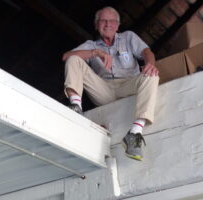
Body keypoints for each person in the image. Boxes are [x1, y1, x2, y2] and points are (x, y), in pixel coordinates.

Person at [62, 6, 159, 161]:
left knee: (152, 75)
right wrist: (95, 53)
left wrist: (150, 64)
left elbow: (147, 52)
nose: (107, 24)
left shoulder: (128, 37)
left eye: (112, 21)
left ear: (118, 25)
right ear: (96, 25)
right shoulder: (92, 45)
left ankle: (134, 133)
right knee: (75, 59)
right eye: (103, 21)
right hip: (103, 90)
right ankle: (76, 108)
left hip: (128, 86)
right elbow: (67, 57)